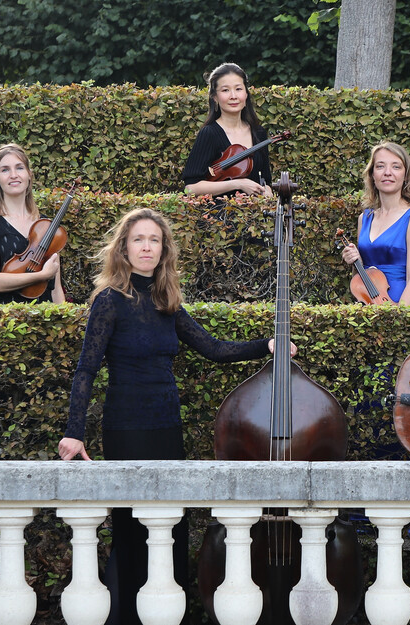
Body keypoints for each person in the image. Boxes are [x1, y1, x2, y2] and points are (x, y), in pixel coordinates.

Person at [57, 208, 286, 625]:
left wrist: (267, 345)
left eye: (154, 240)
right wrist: (75, 433)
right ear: (124, 248)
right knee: (130, 528)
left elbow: (213, 348)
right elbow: (86, 369)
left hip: (166, 425)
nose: (146, 247)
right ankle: (126, 616)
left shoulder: (167, 302)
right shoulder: (110, 300)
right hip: (125, 427)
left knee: (171, 527)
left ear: (164, 251)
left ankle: (167, 616)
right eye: (138, 239)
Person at [0, 144, 66, 304]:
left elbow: (55, 289)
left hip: (45, 319)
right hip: (5, 320)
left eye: (19, 168)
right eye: (5, 170)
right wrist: (41, 276)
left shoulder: (45, 225)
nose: (13, 175)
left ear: (29, 175)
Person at [339, 142, 410, 305]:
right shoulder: (364, 219)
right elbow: (360, 279)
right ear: (372, 174)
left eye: (396, 167)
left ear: (405, 175)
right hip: (368, 306)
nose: (388, 173)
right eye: (380, 166)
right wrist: (354, 262)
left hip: (401, 304)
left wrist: (400, 316)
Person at [182, 62, 273, 198]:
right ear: (215, 97)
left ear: (246, 94)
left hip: (255, 214)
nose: (233, 96)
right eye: (225, 90)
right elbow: (191, 188)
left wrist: (268, 192)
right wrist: (238, 184)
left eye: (238, 89)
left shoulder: (258, 132)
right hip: (219, 216)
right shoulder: (209, 134)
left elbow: (266, 180)